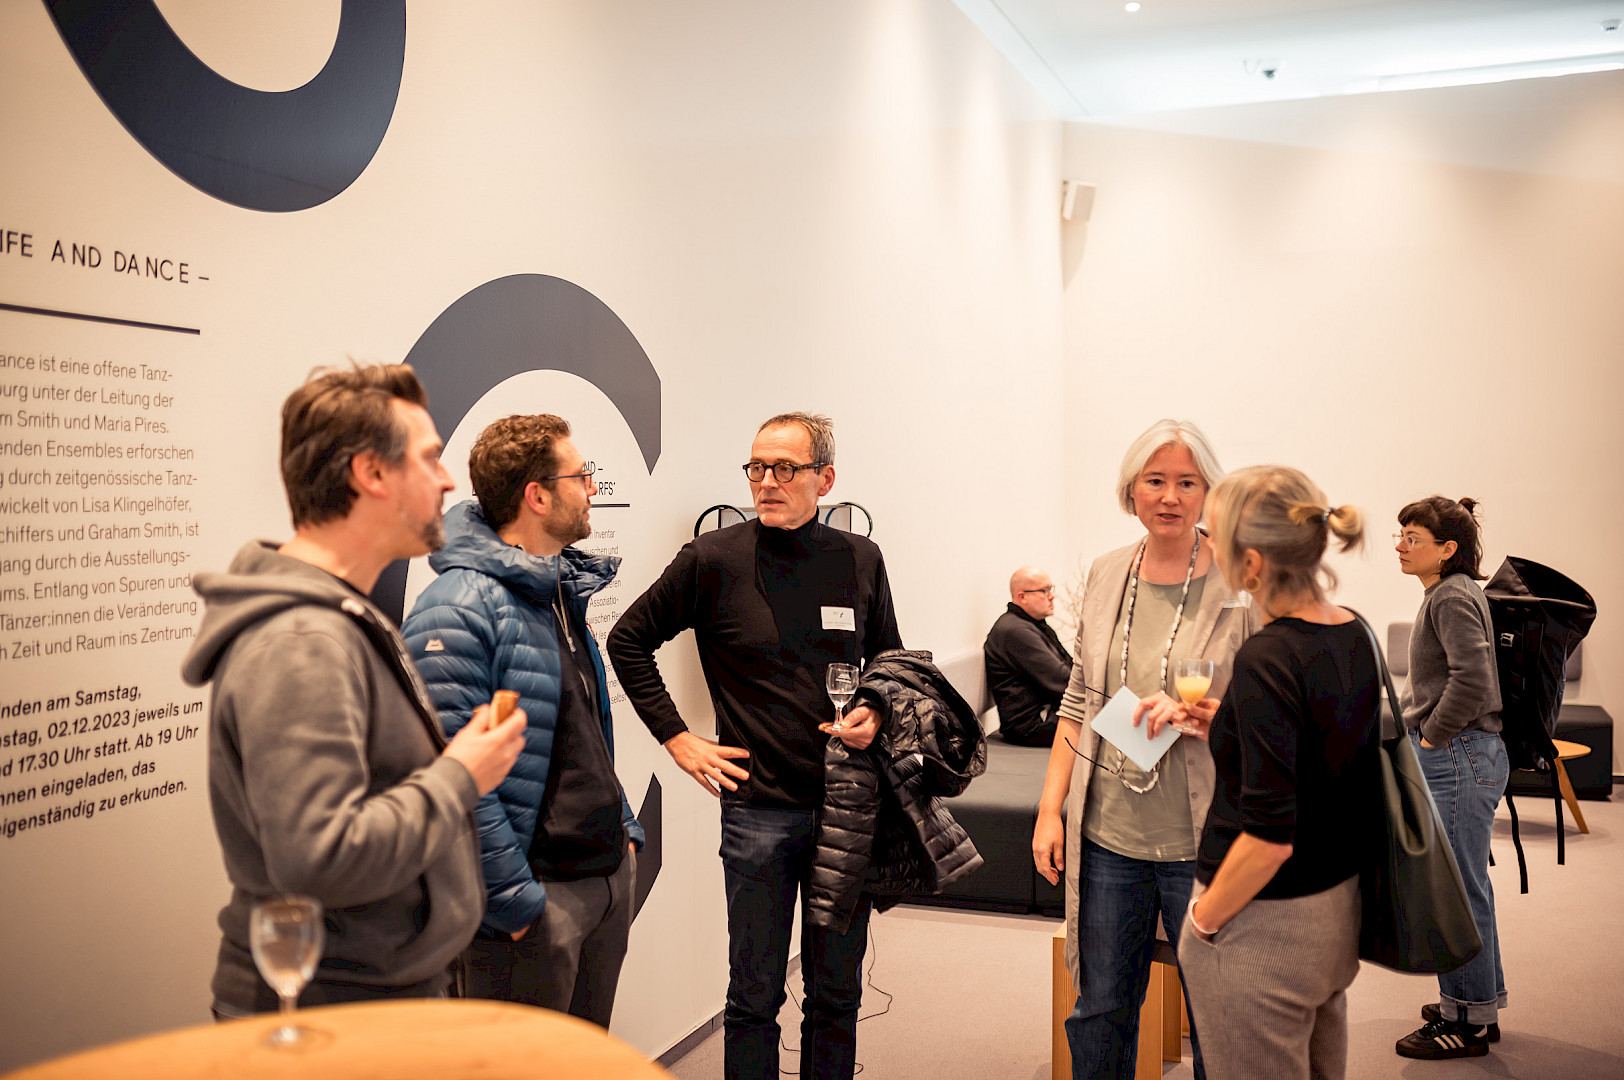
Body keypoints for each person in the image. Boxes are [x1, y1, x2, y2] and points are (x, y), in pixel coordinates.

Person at [182, 363, 527, 1017]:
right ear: (371, 473)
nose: (449, 480)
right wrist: (461, 775)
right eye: (429, 458)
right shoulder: (302, 641)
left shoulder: (339, 616)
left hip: (372, 992)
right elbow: (322, 858)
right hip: (331, 1009)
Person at [607, 412, 902, 1080]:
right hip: (757, 811)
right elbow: (627, 640)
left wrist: (877, 711)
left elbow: (890, 660)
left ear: (825, 478)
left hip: (845, 807)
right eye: (757, 468)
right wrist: (677, 738)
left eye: (785, 469)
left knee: (836, 994)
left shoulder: (859, 559)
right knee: (753, 996)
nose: (767, 482)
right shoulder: (714, 559)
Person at [402, 414, 644, 1027]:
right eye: (581, 476)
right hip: (537, 901)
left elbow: (583, 731)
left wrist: (624, 832)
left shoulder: (558, 588)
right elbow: (453, 777)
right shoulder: (457, 606)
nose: (592, 488)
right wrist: (513, 902)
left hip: (602, 875)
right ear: (537, 496)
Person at [1032, 419, 1252, 1080]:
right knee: (1100, 1009)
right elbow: (1080, 701)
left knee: (1221, 1017)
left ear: (1209, 493)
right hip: (1109, 836)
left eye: (1188, 482)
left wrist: (1221, 719)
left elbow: (1280, 709)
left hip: (1204, 841)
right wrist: (1050, 811)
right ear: (1131, 489)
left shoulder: (1243, 578)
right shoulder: (1106, 573)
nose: (1170, 497)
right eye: (1155, 480)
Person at [1177, 465, 1381, 1080]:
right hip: (1334, 909)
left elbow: (1269, 836)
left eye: (1214, 535)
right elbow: (1326, 757)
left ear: (1253, 562)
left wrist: (1202, 922)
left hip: (1263, 923)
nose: (1208, 547)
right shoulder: (1353, 630)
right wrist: (1232, 724)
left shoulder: (1267, 655)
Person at [1391, 496, 1507, 1060]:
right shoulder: (1447, 593)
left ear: (1447, 549)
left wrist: (1432, 737)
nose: (1400, 546)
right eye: (1400, 535)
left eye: (1412, 537)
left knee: (1457, 892)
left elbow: (1473, 679)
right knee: (1464, 887)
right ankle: (1472, 1004)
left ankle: (1469, 1022)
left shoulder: (1452, 596)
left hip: (1458, 755)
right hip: (1461, 754)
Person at [984, 566, 1073, 746]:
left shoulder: (1032, 625)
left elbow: (1068, 667)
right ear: (1022, 597)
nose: (1052, 596)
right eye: (1044, 590)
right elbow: (1064, 681)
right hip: (1031, 725)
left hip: (1047, 713)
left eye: (1051, 589)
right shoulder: (1015, 631)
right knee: (1105, 720)